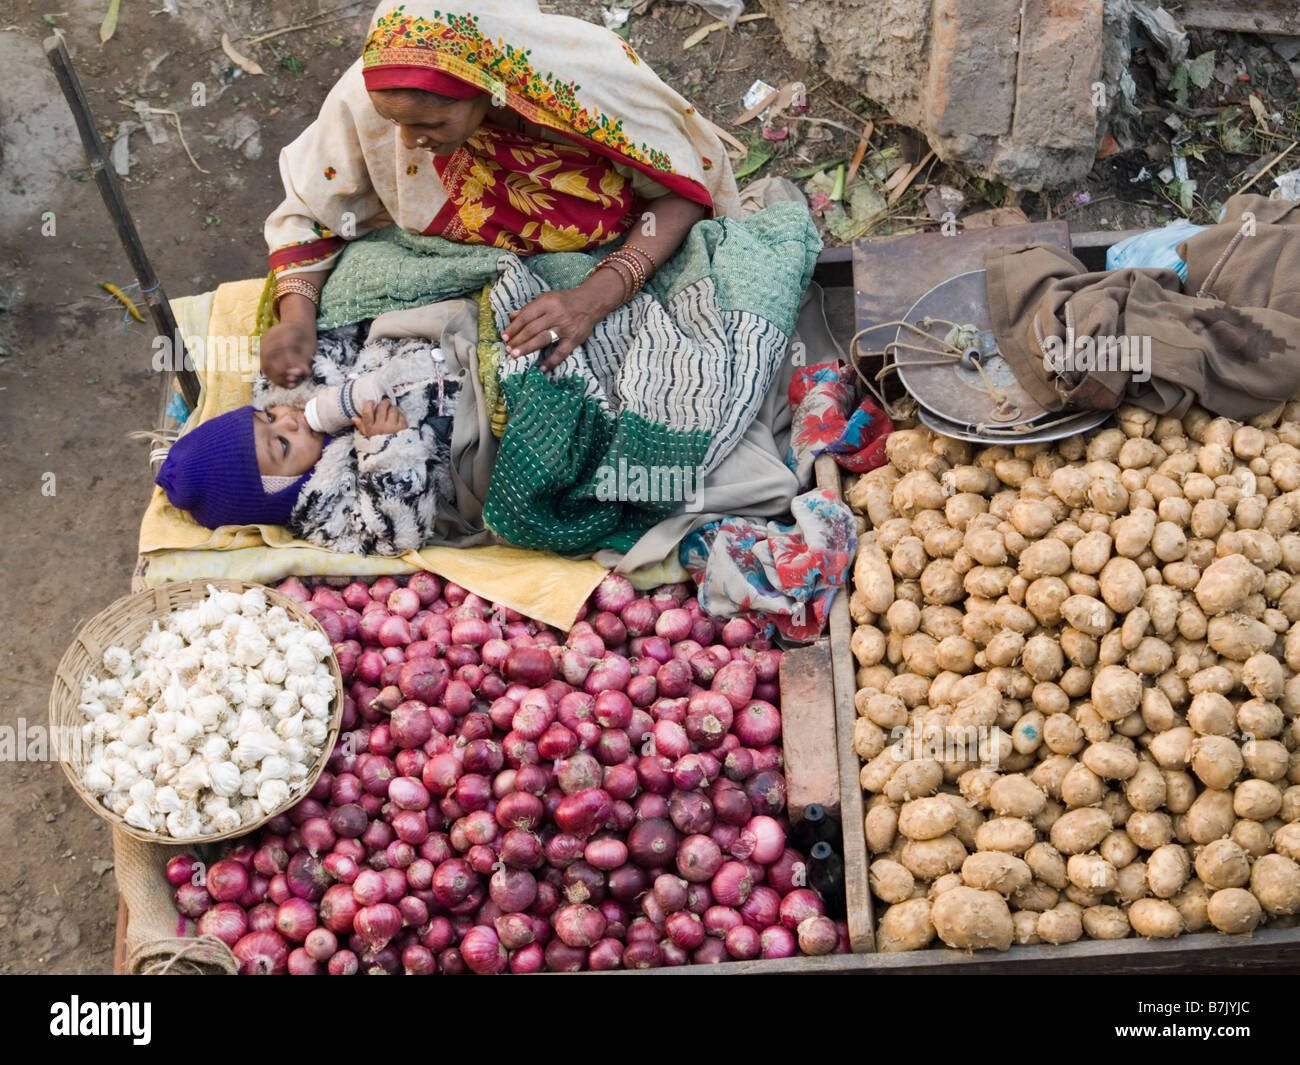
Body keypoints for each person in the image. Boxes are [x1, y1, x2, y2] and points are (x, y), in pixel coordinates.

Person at [260, 0, 740, 388]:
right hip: (465, 271)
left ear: (487, 89)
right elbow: (311, 208)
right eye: (394, 123)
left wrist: (595, 297)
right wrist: (298, 317)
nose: (406, 142)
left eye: (429, 124)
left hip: (613, 257)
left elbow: (682, 193)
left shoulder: (587, 85)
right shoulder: (371, 93)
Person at [156, 327, 459, 556]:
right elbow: (393, 535)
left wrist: (296, 350)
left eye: (269, 417)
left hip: (440, 345)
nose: (289, 420)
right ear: (283, 490)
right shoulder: (325, 513)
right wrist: (388, 449)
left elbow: (337, 339)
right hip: (466, 430)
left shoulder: (299, 391)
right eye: (283, 445)